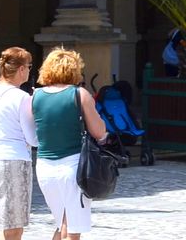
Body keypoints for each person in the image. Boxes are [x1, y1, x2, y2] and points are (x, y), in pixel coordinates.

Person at [32, 47, 109, 240]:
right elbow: (98, 131)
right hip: (74, 166)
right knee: (73, 231)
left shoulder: (36, 96)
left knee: (62, 224)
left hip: (44, 167)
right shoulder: (80, 94)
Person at [0, 47, 39, 240]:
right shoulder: (20, 97)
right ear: (21, 69)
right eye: (29, 67)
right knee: (14, 226)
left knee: (9, 222)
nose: (30, 71)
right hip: (12, 160)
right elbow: (33, 138)